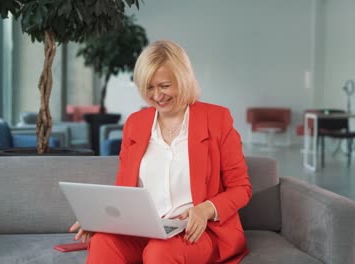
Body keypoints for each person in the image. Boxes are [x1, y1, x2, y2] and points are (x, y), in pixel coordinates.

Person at [70, 40, 252, 263]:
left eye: (164, 86)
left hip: (197, 232)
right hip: (146, 229)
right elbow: (124, 189)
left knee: (160, 251)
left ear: (183, 80)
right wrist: (99, 219)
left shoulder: (217, 119)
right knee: (102, 241)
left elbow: (241, 188)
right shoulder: (135, 124)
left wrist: (205, 209)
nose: (156, 96)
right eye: (149, 87)